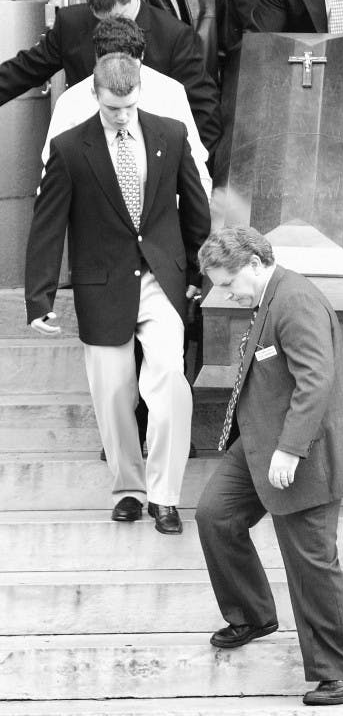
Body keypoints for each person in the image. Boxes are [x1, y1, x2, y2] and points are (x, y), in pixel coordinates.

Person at [25, 54, 211, 533]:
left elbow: (195, 208)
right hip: (102, 283)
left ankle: (165, 496)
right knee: (113, 393)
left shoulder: (171, 134)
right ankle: (129, 488)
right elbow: (48, 226)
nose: (123, 116)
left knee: (169, 379)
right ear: (96, 96)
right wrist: (39, 299)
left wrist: (198, 272)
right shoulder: (69, 148)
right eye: (113, 109)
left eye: (129, 106)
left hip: (161, 279)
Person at [195, 226, 343, 706]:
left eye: (230, 281)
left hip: (303, 449)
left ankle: (341, 674)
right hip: (260, 439)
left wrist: (291, 448)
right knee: (216, 515)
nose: (228, 294)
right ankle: (253, 613)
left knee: (311, 560)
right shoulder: (268, 293)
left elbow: (315, 380)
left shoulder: (295, 300)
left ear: (256, 262)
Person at [0, 0, 222, 162]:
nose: (110, 26)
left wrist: (190, 177)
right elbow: (25, 69)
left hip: (151, 162)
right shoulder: (71, 24)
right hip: (90, 158)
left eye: (118, 17)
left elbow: (204, 111)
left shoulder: (174, 36)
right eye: (101, 19)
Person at [42, 16, 212, 196]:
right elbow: (52, 178)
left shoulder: (170, 94)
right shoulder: (72, 103)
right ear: (97, 58)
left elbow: (196, 168)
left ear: (142, 56)